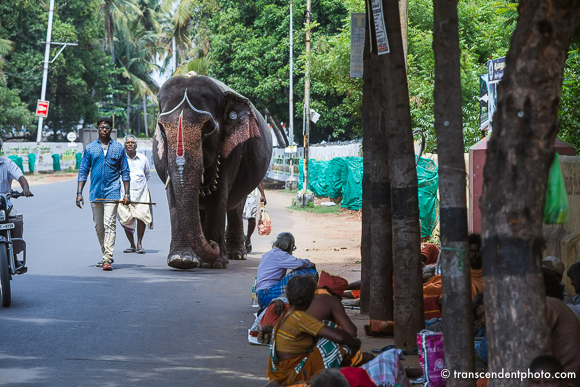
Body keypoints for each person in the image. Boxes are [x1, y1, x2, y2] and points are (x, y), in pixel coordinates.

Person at [267, 275, 364, 386]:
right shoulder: (300, 317)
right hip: (293, 369)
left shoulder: (288, 313)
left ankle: (279, 381)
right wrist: (356, 341)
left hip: (279, 368)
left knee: (326, 331)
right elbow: (345, 335)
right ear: (311, 297)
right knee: (337, 340)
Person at [76, 117, 130, 271]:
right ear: (97, 129)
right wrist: (79, 192)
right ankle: (106, 254)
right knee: (99, 227)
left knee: (109, 224)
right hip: (95, 192)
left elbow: (125, 172)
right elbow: (83, 170)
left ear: (111, 129)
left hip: (112, 191)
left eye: (107, 127)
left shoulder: (119, 148)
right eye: (101, 127)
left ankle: (107, 259)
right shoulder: (90, 148)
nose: (104, 130)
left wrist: (126, 194)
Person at [256, 232, 317, 307]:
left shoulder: (269, 254)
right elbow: (299, 263)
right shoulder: (280, 255)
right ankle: (310, 295)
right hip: (266, 295)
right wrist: (311, 264)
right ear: (289, 245)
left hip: (261, 295)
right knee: (304, 271)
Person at [0, 138, 33, 270]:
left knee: (16, 221)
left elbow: (20, 176)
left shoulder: (7, 163)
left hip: (4, 205)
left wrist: (25, 189)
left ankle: (14, 256)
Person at [117, 135, 152, 254]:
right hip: (124, 195)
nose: (130, 144)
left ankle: (139, 243)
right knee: (125, 219)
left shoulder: (143, 159)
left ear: (136, 145)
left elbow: (147, 175)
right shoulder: (121, 160)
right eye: (128, 143)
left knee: (141, 217)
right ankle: (131, 244)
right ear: (125, 145)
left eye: (132, 142)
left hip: (141, 193)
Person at [243, 182, 266, 253]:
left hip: (250, 195)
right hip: (237, 194)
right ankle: (240, 237)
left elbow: (259, 178)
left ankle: (248, 239)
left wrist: (262, 194)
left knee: (252, 219)